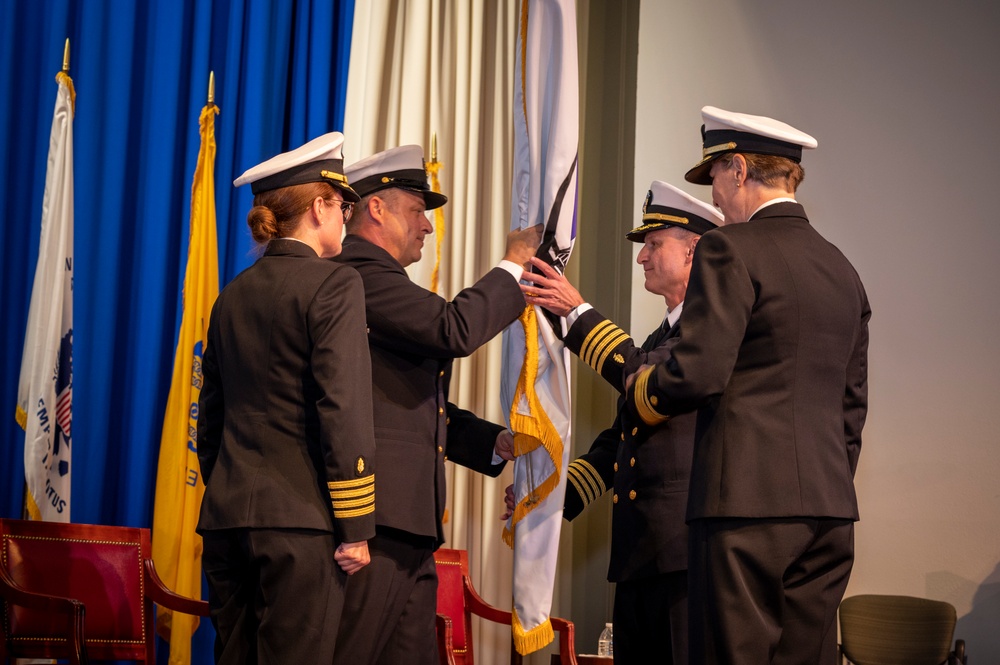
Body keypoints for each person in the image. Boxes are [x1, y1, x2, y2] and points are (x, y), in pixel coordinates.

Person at [626, 106, 871, 664]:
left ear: (738, 169)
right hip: (830, 511)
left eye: (713, 176)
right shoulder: (842, 268)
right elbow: (851, 407)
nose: (713, 196)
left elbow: (700, 371)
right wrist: (821, 481)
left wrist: (642, 384)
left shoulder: (729, 248)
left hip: (742, 507)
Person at [330, 144, 542, 665]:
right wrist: (513, 265)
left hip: (407, 524)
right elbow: (453, 328)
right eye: (416, 209)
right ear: (375, 208)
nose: (426, 226)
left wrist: (489, 441)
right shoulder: (356, 276)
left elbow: (404, 397)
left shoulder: (379, 282)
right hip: (374, 525)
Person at [515, 181, 722, 664]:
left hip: (684, 554)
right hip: (643, 553)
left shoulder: (710, 328)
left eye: (654, 244)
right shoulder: (663, 332)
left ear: (694, 250)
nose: (641, 257)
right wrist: (552, 495)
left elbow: (646, 379)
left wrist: (578, 313)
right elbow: (620, 441)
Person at [196, 132, 376, 664]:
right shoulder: (336, 285)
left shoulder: (231, 295)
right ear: (319, 207)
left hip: (227, 521)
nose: (347, 216)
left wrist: (230, 489)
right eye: (343, 205)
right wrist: (356, 528)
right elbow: (341, 409)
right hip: (301, 524)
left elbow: (211, 422)